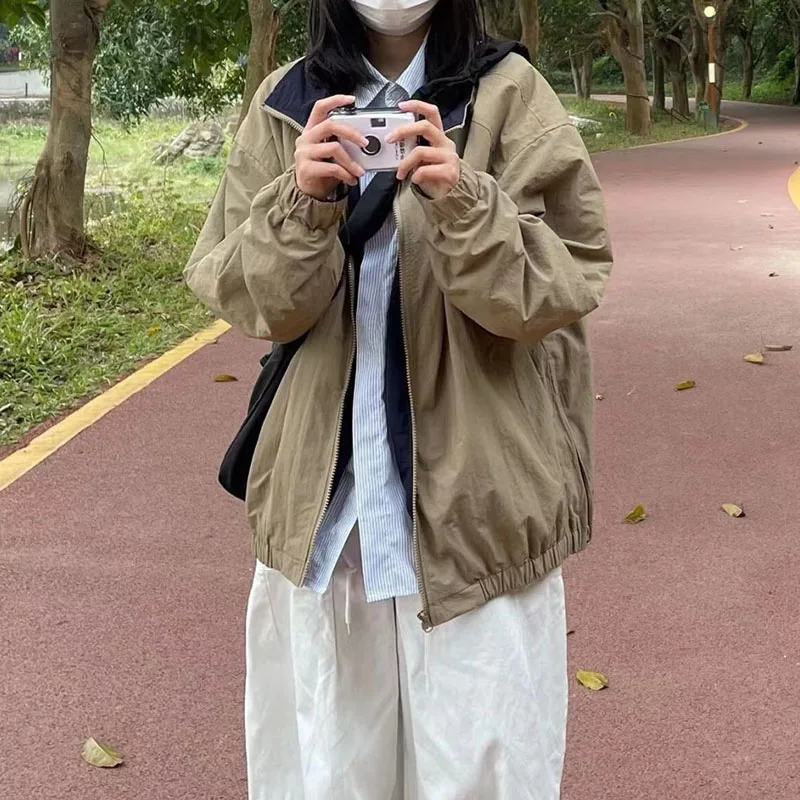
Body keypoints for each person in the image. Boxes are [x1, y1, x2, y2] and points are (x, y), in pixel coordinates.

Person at [185, 0, 613, 794]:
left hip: (480, 513)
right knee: (327, 772)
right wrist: (302, 207)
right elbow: (253, 300)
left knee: (482, 769)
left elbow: (564, 282)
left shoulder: (513, 94)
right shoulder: (285, 102)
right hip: (327, 520)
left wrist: (463, 203)